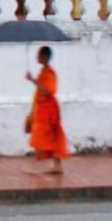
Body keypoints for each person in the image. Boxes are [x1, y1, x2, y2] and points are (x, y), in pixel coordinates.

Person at [25, 45, 69, 174]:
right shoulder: (44, 72)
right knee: (49, 136)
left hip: (48, 110)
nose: (37, 57)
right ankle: (57, 165)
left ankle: (36, 165)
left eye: (39, 55)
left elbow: (48, 91)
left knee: (40, 134)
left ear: (46, 57)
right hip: (43, 108)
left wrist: (33, 80)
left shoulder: (49, 73)